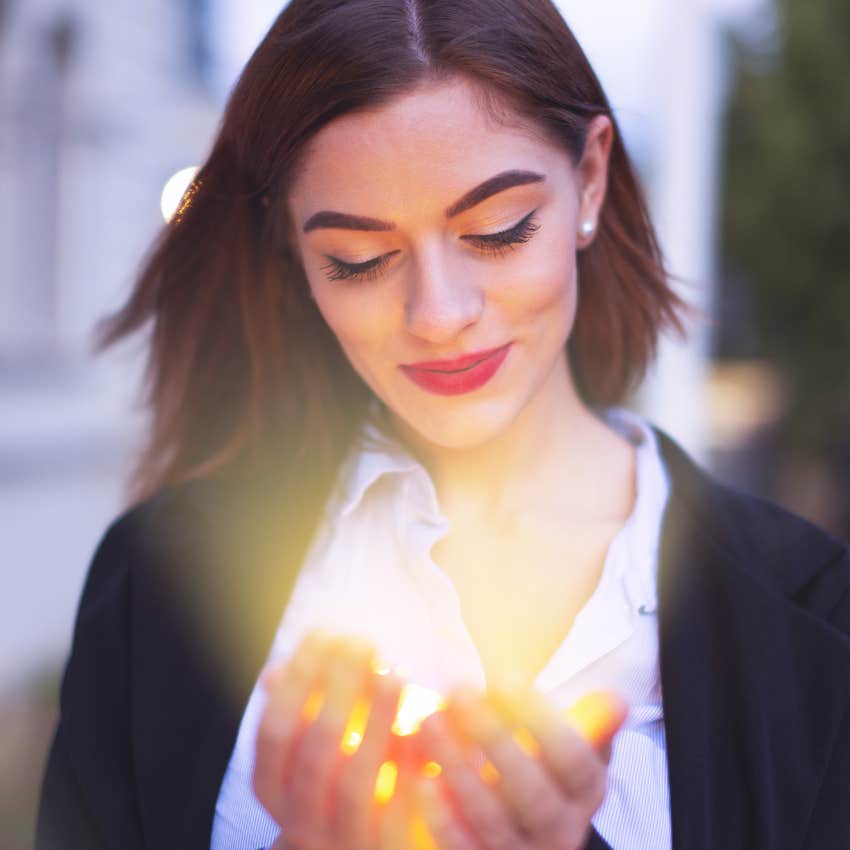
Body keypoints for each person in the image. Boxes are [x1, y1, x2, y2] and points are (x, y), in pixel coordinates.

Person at [35, 1, 850, 849]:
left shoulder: (816, 622)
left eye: (498, 232)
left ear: (592, 179)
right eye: (358, 260)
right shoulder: (163, 582)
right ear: (294, 252)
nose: (438, 315)